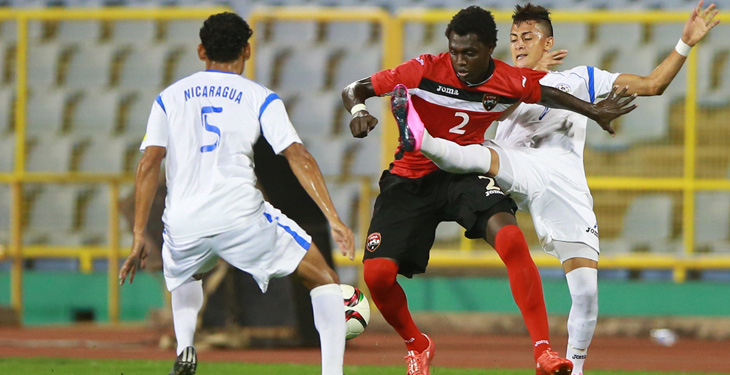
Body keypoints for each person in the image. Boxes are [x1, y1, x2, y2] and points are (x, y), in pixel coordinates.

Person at [391, 2, 720, 375]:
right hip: (514, 162)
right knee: (474, 154)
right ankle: (421, 140)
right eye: (513, 39)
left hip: (563, 181)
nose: (518, 45)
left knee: (586, 292)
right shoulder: (497, 80)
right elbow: (467, 109)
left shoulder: (580, 80)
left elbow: (652, 85)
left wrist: (685, 43)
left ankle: (573, 369)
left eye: (527, 38)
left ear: (548, 43)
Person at [341, 5, 635, 375]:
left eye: (470, 53)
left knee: (511, 240)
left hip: (464, 174)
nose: (460, 61)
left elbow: (544, 94)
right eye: (455, 51)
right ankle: (418, 344)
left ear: (490, 49)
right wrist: (358, 112)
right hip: (409, 178)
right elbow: (354, 89)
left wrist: (593, 111)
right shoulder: (423, 69)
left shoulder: (505, 79)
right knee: (377, 277)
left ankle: (543, 352)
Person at [118, 12, 355, 375]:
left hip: (182, 221)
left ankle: (185, 350)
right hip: (239, 216)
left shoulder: (168, 98)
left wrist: (138, 235)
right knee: (324, 279)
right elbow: (298, 155)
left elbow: (149, 163)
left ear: (201, 51)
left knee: (186, 272)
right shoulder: (260, 97)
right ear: (246, 49)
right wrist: (334, 219)